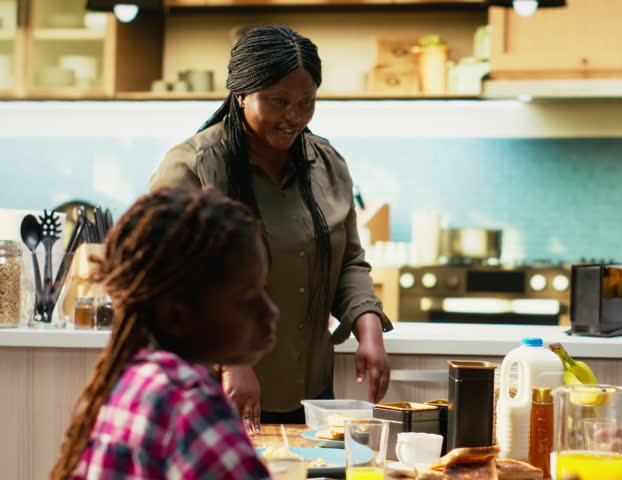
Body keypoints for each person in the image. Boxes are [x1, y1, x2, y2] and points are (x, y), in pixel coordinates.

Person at [150, 25, 392, 428]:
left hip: (311, 393)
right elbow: (170, 284)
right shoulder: (192, 166)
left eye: (306, 102)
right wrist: (232, 361)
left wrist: (370, 330)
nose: (293, 117)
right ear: (241, 94)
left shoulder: (327, 164)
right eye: (277, 101)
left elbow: (347, 260)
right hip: (216, 390)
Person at [50, 186, 279, 479]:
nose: (270, 311)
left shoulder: (134, 378)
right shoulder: (191, 402)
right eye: (247, 298)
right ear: (176, 315)